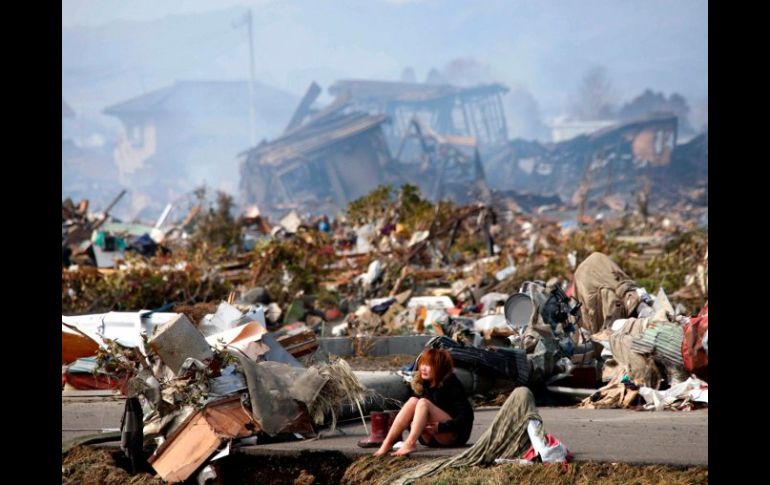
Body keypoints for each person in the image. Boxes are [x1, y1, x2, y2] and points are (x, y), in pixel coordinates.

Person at [374, 348, 474, 457]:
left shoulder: (452, 385)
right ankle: (387, 443)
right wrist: (413, 424)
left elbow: (467, 417)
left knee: (423, 402)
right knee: (413, 401)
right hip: (428, 439)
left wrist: (441, 427)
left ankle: (410, 443)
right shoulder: (422, 384)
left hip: (450, 436)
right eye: (422, 364)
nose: (423, 368)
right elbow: (411, 416)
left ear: (439, 368)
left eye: (428, 365)